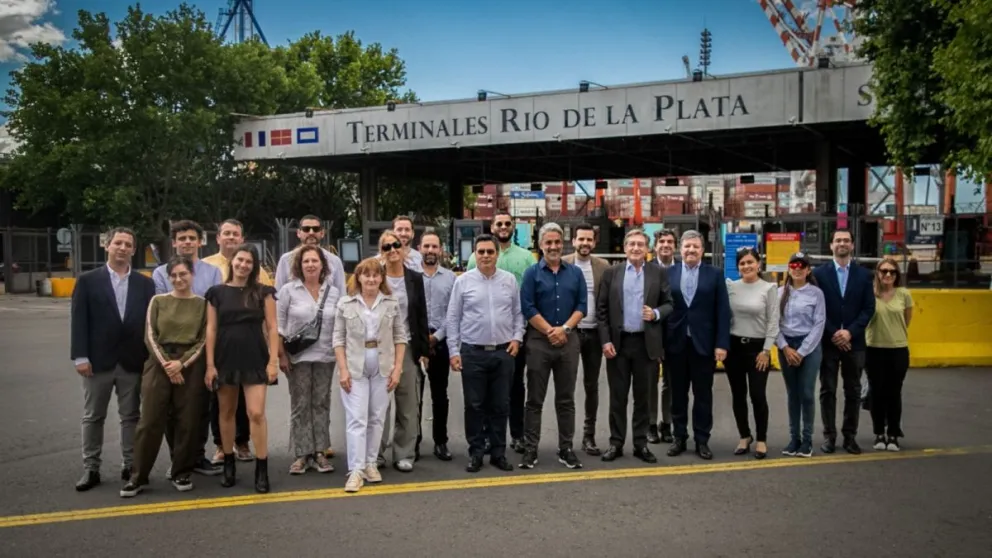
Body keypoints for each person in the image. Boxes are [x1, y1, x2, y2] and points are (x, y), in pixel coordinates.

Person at [70, 227, 156, 491]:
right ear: (107, 246)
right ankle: (91, 468)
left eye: (127, 244)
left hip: (132, 362)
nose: (122, 248)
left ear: (133, 250)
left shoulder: (145, 283)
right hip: (97, 362)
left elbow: (149, 324)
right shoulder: (87, 280)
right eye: (117, 243)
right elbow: (79, 320)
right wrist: (80, 357)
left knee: (130, 416)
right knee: (93, 416)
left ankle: (130, 465)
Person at [121, 255, 208, 497]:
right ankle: (138, 476)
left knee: (187, 422)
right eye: (174, 275)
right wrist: (168, 366)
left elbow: (203, 339)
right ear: (168, 278)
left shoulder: (203, 304)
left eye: (184, 274)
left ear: (192, 275)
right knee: (149, 421)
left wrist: (181, 364)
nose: (179, 279)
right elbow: (150, 335)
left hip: (189, 365)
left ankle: (181, 472)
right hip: (158, 364)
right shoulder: (158, 301)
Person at [204, 244, 279, 493]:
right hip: (225, 359)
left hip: (255, 358)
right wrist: (210, 365)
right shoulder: (216, 293)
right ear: (231, 262)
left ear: (253, 266)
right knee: (225, 413)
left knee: (256, 413)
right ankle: (228, 462)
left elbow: (271, 327)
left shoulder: (262, 292)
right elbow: (211, 329)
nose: (243, 265)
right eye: (240, 260)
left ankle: (261, 467)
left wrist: (272, 361)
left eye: (248, 261)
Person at [448, 234, 525, 473]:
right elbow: (453, 318)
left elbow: (518, 313)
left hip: (503, 353)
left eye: (490, 252)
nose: (485, 256)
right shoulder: (463, 282)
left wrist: (517, 338)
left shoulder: (509, 281)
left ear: (497, 254)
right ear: (474, 254)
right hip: (473, 352)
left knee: (501, 405)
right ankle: (476, 452)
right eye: (480, 252)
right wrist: (453, 350)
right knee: (475, 405)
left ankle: (499, 453)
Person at [151, 220, 222, 478]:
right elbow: (159, 312)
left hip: (202, 349)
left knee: (201, 405)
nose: (187, 242)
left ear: (200, 241)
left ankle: (198, 455)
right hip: (171, 353)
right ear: (174, 243)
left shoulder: (213, 273)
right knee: (172, 409)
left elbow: (215, 311)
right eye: (182, 238)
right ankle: (178, 458)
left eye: (192, 237)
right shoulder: (160, 274)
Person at [596, 229, 674, 463]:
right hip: (618, 345)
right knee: (617, 397)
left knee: (643, 398)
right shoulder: (612, 273)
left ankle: (640, 444)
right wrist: (605, 340)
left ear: (648, 249)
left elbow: (670, 303)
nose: (636, 248)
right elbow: (602, 311)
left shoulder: (657, 273)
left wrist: (657, 313)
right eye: (632, 244)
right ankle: (616, 443)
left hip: (646, 344)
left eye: (641, 244)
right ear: (625, 247)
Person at [333, 257, 408, 493]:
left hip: (382, 364)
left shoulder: (390, 303)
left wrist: (397, 368)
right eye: (367, 275)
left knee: (377, 417)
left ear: (381, 279)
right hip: (355, 364)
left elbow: (400, 336)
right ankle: (355, 470)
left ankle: (370, 463)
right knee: (357, 418)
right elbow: (338, 339)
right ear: (358, 277)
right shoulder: (346, 303)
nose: (372, 279)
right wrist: (343, 369)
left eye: (376, 275)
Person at [519, 222, 588, 469]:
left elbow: (582, 306)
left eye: (557, 242)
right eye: (548, 242)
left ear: (563, 243)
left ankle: (566, 448)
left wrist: (565, 329)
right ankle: (530, 449)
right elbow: (527, 308)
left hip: (568, 342)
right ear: (540, 246)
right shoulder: (531, 274)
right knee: (534, 400)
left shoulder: (575, 273)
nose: (553, 247)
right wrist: (550, 330)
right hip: (539, 341)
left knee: (566, 399)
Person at [202, 219, 268, 465]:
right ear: (218, 237)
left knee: (251, 408)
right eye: (226, 233)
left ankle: (243, 442)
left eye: (235, 234)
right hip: (222, 348)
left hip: (251, 350)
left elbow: (268, 318)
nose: (231, 237)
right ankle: (222, 446)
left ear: (242, 238)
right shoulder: (207, 267)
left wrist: (272, 355)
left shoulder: (260, 276)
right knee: (221, 406)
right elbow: (211, 321)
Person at [467, 211, 534, 453]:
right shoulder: (475, 259)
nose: (503, 227)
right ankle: (486, 437)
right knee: (485, 393)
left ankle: (517, 435)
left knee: (516, 388)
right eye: (499, 223)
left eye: (507, 223)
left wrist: (520, 333)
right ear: (492, 226)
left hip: (514, 335)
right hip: (483, 338)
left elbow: (527, 298)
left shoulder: (527, 257)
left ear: (513, 227)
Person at [665, 229, 731, 461]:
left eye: (695, 246)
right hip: (675, 344)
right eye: (687, 246)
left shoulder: (715, 274)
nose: (691, 250)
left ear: (702, 250)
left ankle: (702, 439)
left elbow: (723, 312)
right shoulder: (668, 274)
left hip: (704, 345)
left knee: (703, 395)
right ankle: (679, 437)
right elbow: (664, 309)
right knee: (678, 394)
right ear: (680, 249)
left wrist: (722, 344)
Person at [276, 245, 340, 475]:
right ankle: (302, 453)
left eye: (314, 261)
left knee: (321, 402)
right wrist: (281, 354)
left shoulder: (333, 292)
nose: (311, 265)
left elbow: (339, 325)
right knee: (301, 403)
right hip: (298, 357)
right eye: (306, 261)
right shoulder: (288, 291)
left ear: (323, 264)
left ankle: (320, 451)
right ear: (299, 266)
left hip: (326, 355)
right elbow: (278, 325)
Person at [812, 229, 875, 455]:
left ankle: (850, 437)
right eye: (838, 240)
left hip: (854, 342)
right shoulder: (818, 274)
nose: (842, 244)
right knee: (827, 390)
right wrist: (834, 333)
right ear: (831, 246)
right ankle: (829, 436)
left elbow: (868, 309)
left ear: (852, 245)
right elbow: (817, 309)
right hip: (828, 342)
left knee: (853, 391)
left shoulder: (864, 275)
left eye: (846, 240)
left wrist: (849, 333)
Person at [376, 230, 430, 472]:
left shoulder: (415, 278)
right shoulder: (374, 277)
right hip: (379, 348)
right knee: (379, 404)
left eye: (396, 245)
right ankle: (376, 452)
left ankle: (404, 453)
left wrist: (423, 351)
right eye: (387, 247)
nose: (392, 250)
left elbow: (421, 316)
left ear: (404, 248)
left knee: (408, 403)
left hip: (407, 346)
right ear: (381, 252)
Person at [725, 247, 780, 459]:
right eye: (742, 263)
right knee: (738, 394)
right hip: (734, 347)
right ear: (738, 267)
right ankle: (744, 435)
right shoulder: (731, 286)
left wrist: (766, 350)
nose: (746, 266)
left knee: (757, 394)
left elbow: (773, 321)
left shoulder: (769, 288)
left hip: (758, 350)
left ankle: (762, 439)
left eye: (750, 262)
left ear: (758, 264)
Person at [562, 223, 610, 456]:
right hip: (570, 333)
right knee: (567, 386)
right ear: (573, 241)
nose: (585, 244)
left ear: (594, 242)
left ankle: (588, 436)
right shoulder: (563, 263)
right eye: (581, 239)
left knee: (591, 386)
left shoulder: (603, 266)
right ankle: (566, 438)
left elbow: (608, 302)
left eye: (589, 240)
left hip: (593, 333)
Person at [777, 252, 826, 458]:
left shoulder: (816, 294)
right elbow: (773, 323)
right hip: (786, 345)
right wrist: (785, 347)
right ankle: (793, 437)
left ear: (808, 270)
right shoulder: (779, 292)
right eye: (793, 265)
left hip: (809, 345)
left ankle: (807, 439)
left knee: (806, 393)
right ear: (789, 268)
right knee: (792, 394)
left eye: (802, 265)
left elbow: (819, 323)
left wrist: (802, 351)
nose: (797, 269)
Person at [416, 231, 457, 461]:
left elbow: (454, 313)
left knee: (440, 396)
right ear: (419, 248)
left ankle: (441, 441)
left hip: (441, 343)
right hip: (417, 344)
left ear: (440, 250)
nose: (430, 251)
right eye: (426, 246)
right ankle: (414, 442)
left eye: (434, 247)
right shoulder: (411, 277)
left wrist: (437, 336)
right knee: (415, 397)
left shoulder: (451, 278)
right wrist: (422, 340)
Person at [865, 258, 913, 452]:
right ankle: (879, 433)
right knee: (876, 393)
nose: (887, 275)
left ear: (897, 275)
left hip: (898, 349)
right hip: (874, 348)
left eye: (892, 272)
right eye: (884, 271)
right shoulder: (870, 294)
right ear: (877, 273)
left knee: (894, 392)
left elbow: (907, 320)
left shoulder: (904, 294)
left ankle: (893, 433)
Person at [649, 228, 679, 444]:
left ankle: (666, 424)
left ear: (675, 246)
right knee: (650, 381)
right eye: (662, 242)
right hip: (651, 332)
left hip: (675, 333)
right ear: (655, 246)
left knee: (670, 382)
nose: (666, 245)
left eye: (670, 241)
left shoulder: (682, 269)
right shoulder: (647, 269)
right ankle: (650, 424)